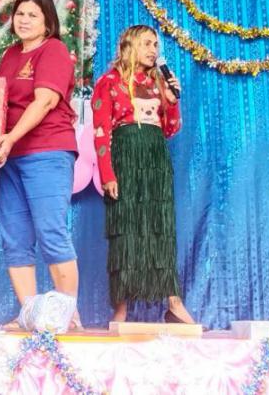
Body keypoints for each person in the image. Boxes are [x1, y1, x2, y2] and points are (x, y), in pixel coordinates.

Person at [0, 0, 81, 329]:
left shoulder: (53, 50)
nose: (24, 20)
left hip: (47, 151)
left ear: (47, 23)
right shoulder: (10, 55)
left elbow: (44, 102)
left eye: (33, 15)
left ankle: (67, 314)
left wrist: (11, 138)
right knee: (15, 236)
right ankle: (28, 313)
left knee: (51, 231)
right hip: (10, 156)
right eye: (20, 14)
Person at [92, 24, 195, 324]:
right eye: (147, 44)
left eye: (155, 45)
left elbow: (171, 129)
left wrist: (172, 102)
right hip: (125, 158)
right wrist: (107, 173)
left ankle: (174, 302)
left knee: (160, 228)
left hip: (155, 160)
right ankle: (121, 309)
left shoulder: (157, 83)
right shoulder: (108, 82)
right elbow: (101, 132)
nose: (153, 50)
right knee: (126, 230)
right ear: (130, 46)